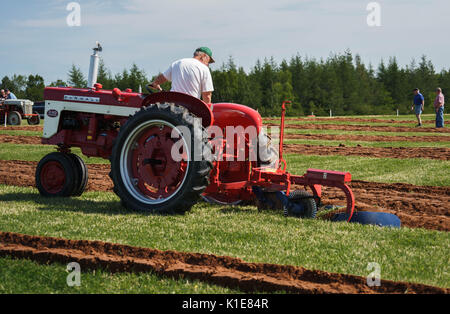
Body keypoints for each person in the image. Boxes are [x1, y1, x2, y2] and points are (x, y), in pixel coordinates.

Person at [148, 47, 215, 104]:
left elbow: (161, 78)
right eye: (208, 61)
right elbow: (207, 95)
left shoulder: (178, 63)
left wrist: (155, 84)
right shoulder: (204, 68)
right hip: (191, 106)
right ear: (203, 56)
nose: (208, 64)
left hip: (172, 103)